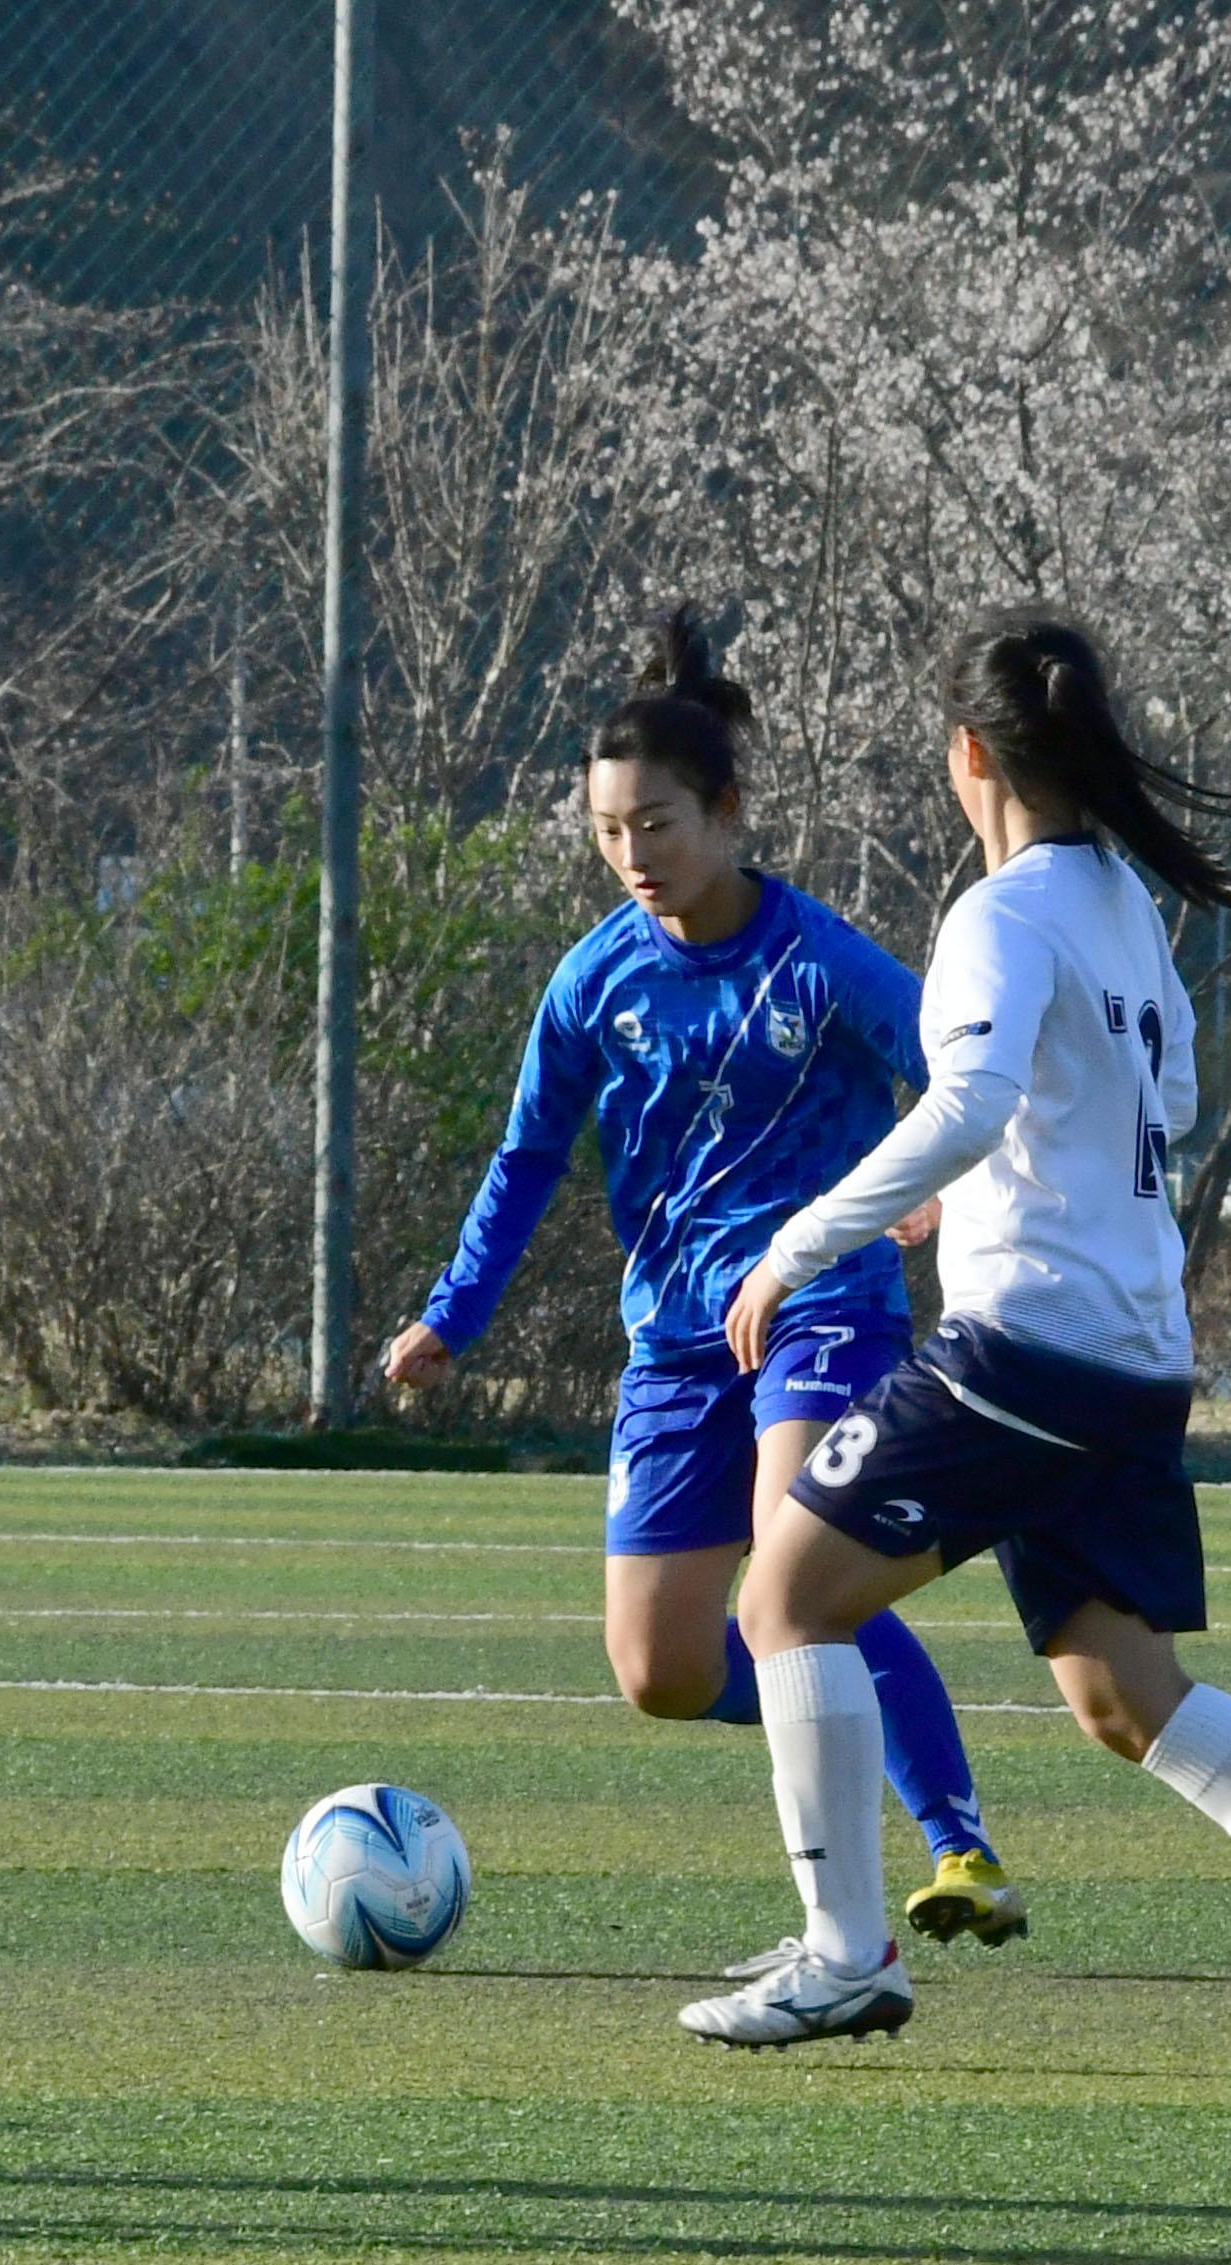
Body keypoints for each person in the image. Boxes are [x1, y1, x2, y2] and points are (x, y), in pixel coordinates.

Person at [680, 607, 1231, 2067]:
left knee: (785, 1598)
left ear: (969, 753)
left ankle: (845, 1956)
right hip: (1133, 1357)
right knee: (1125, 1696)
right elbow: (1140, 1119)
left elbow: (977, 1107)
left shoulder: (1001, 915)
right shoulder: (1122, 904)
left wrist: (806, 1244)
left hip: (1024, 1358)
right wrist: (978, 1199)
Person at [385, 606, 1023, 1957]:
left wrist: (942, 1185)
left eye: (658, 825)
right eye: (610, 831)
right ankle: (835, 1709)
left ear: (726, 813)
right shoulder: (594, 980)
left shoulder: (816, 957)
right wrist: (452, 1314)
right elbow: (527, 1155)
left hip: (822, 1309)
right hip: (675, 1345)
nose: (634, 857)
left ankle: (947, 1846)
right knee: (664, 1672)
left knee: (792, 1578)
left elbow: (958, 1072)